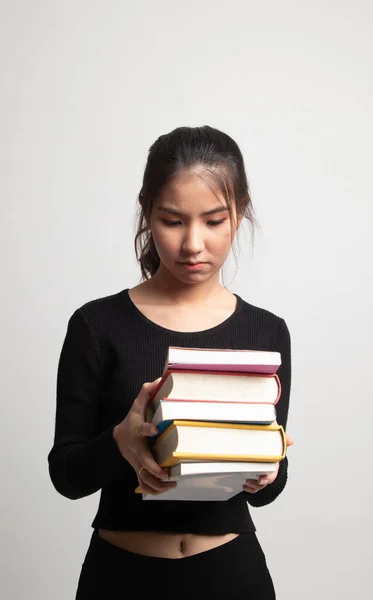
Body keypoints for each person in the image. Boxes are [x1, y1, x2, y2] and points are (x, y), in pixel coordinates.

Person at [47, 125, 293, 600]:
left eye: (214, 221)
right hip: (121, 576)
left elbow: (270, 489)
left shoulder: (268, 331)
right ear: (147, 213)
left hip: (232, 574)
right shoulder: (97, 326)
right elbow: (66, 475)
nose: (193, 244)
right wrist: (120, 441)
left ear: (239, 215)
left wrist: (268, 470)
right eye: (173, 220)